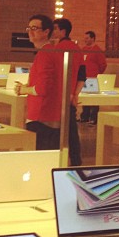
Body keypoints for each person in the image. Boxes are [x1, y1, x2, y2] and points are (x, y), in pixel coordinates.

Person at [14, 14, 64, 153]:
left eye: (35, 28)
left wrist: (23, 90)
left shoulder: (45, 54)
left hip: (41, 117)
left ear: (46, 31)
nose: (30, 31)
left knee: (39, 160)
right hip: (50, 115)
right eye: (29, 28)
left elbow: (43, 88)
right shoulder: (51, 52)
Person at [53, 18, 86, 165]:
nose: (53, 32)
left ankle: (54, 162)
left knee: (55, 132)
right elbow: (82, 75)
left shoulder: (56, 48)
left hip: (57, 97)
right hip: (70, 96)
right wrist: (75, 94)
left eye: (55, 29)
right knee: (72, 133)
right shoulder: (76, 48)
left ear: (62, 31)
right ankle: (76, 163)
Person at [80, 30, 107, 125]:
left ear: (93, 38)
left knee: (94, 99)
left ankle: (93, 118)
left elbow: (103, 65)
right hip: (84, 77)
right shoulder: (83, 49)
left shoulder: (97, 50)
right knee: (85, 98)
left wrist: (97, 74)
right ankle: (84, 116)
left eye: (87, 38)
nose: (85, 40)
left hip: (93, 78)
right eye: (84, 38)